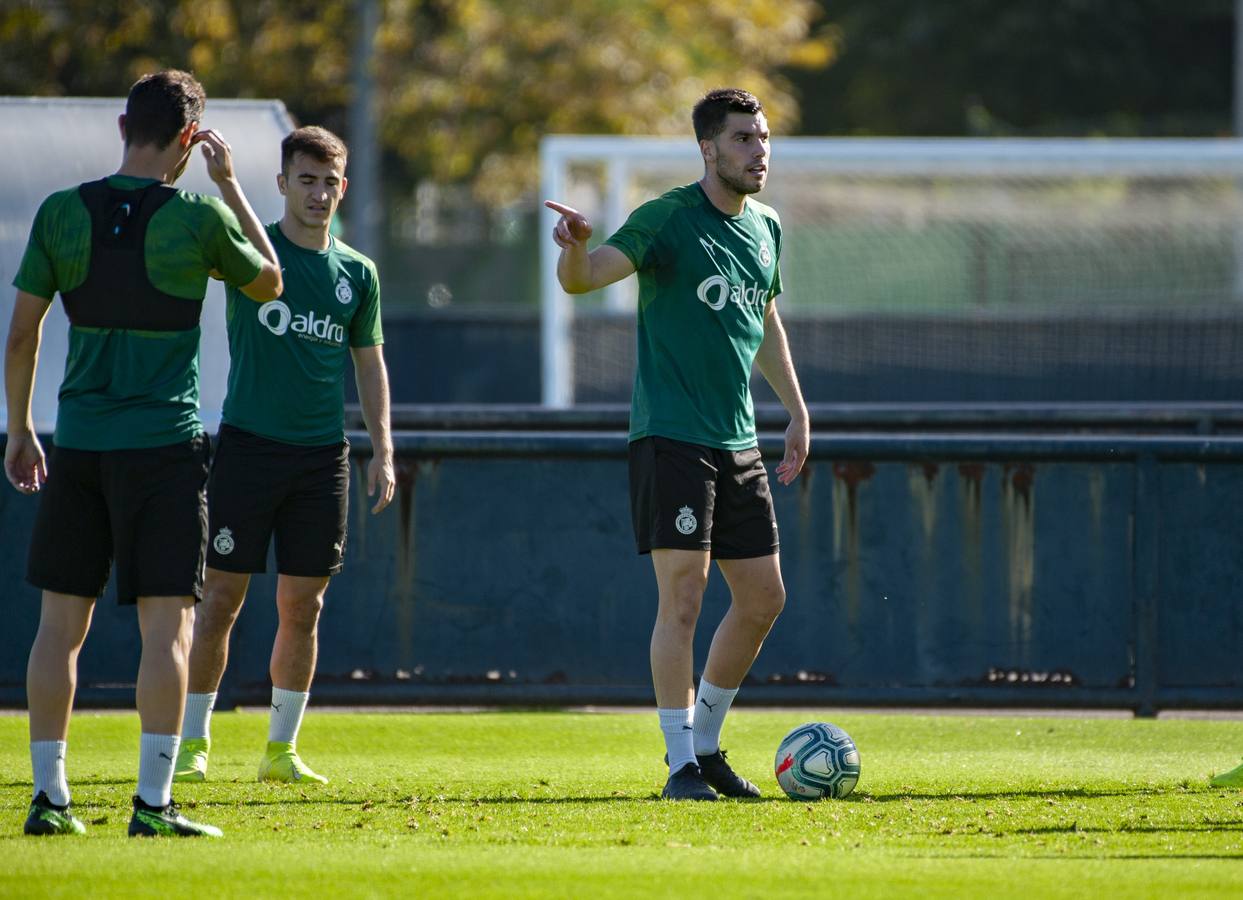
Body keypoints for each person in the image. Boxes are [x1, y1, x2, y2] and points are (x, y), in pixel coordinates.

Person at [5, 70, 283, 837]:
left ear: (123, 126)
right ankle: (154, 805)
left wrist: (20, 430)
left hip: (79, 447)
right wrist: (230, 187)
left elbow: (22, 335)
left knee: (58, 629)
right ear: (189, 138)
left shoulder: (61, 211)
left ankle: (49, 799)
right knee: (168, 631)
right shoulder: (197, 216)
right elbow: (271, 282)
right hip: (163, 451)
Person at [545, 88, 809, 800]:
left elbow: (766, 320)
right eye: (743, 139)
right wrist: (574, 248)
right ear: (707, 148)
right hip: (670, 435)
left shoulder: (767, 227)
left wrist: (796, 410)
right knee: (684, 597)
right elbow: (585, 279)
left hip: (738, 439)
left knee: (763, 597)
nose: (758, 151)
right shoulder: (667, 216)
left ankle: (707, 747)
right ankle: (680, 764)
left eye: (762, 137)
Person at [174, 126, 393, 786]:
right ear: (283, 184)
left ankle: (281, 749)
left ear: (343, 188)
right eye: (306, 180)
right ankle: (191, 741)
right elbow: (241, 252)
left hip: (321, 460)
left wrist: (383, 449)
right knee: (220, 599)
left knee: (305, 606)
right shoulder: (253, 254)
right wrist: (225, 183)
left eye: (329, 182)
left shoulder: (358, 273)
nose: (318, 194)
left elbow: (370, 364)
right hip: (248, 449)